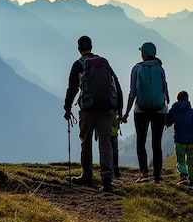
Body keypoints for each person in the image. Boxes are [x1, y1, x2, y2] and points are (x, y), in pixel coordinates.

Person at [64, 35, 123, 193]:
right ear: (91, 46)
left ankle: (87, 176)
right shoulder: (103, 62)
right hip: (107, 108)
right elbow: (116, 84)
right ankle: (107, 180)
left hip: (88, 109)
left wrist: (67, 108)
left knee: (86, 141)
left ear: (79, 49)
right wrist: (119, 108)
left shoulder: (78, 64)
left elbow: (73, 88)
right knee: (105, 143)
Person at [121, 42, 169, 184]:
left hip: (140, 110)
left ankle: (144, 174)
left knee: (141, 142)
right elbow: (164, 87)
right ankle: (157, 177)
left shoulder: (136, 68)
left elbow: (132, 93)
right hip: (159, 110)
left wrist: (126, 113)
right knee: (157, 143)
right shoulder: (160, 68)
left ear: (143, 54)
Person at [166, 90, 193, 187]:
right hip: (191, 141)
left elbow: (167, 123)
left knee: (180, 160)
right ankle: (192, 181)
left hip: (179, 140)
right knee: (191, 161)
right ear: (187, 99)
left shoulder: (174, 111)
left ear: (178, 99)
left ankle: (183, 176)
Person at [111, 112, 121, 178]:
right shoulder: (116, 113)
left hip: (107, 134)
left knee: (107, 151)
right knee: (115, 151)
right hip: (115, 134)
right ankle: (115, 167)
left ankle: (110, 168)